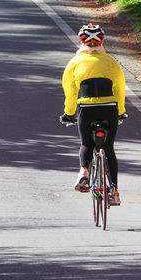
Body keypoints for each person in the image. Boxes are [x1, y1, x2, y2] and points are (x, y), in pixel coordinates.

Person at [59, 23, 127, 206]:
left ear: (81, 41)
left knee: (86, 143)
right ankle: (114, 191)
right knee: (109, 148)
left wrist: (69, 113)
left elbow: (70, 91)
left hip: (86, 108)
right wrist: (121, 111)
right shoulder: (111, 62)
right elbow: (120, 89)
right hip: (109, 107)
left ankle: (83, 172)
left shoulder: (74, 63)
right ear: (102, 41)